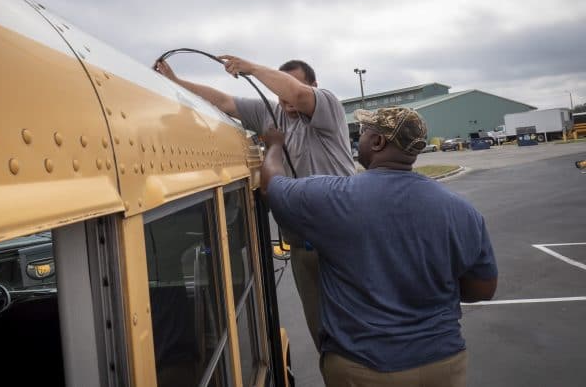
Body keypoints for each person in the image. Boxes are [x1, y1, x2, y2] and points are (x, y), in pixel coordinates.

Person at [261, 107, 498, 387]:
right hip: (443, 364)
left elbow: (271, 186)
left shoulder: (331, 197)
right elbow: (483, 289)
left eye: (363, 133)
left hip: (363, 366)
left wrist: (274, 145)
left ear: (377, 143)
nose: (358, 139)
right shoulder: (462, 211)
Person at [155, 56, 356, 349]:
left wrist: (252, 68)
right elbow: (224, 102)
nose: (287, 98)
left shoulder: (327, 107)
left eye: (295, 86)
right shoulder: (270, 113)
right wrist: (176, 83)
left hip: (343, 239)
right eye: (281, 92)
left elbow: (298, 95)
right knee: (323, 331)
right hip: (302, 245)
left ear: (314, 86)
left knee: (357, 319)